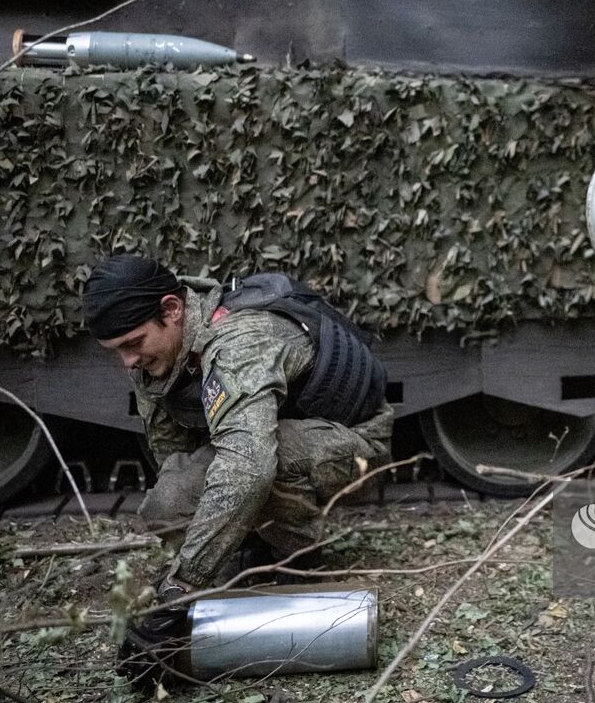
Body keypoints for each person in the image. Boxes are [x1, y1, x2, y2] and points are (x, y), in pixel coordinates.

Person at [82, 254, 394, 672]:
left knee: (255, 461)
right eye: (116, 351)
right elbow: (172, 458)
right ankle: (252, 548)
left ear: (171, 311)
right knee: (169, 499)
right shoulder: (154, 357)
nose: (127, 361)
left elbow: (248, 467)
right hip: (285, 444)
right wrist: (206, 540)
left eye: (133, 344)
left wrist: (181, 587)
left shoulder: (240, 342)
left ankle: (297, 556)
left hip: (355, 451)